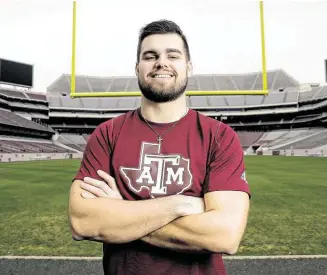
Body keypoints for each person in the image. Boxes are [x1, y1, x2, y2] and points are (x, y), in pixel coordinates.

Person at [68, 19, 251, 275]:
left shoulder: (220, 136)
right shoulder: (107, 134)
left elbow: (224, 235)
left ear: (188, 67)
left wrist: (122, 212)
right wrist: (179, 205)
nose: (161, 63)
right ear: (137, 67)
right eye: (150, 56)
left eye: (172, 55)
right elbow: (83, 221)